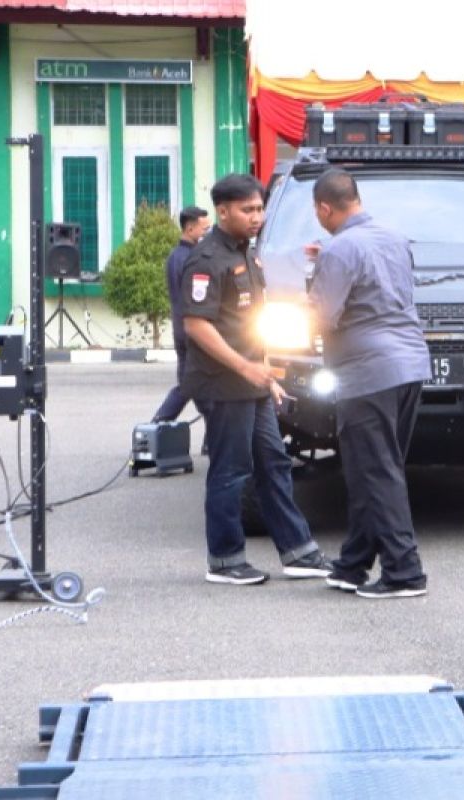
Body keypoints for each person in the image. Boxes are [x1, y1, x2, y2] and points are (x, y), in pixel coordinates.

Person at [181, 173, 333, 585]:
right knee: (231, 470)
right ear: (223, 211)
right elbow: (197, 325)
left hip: (254, 381)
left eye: (260, 209)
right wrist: (246, 367)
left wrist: (267, 372)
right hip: (223, 382)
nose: (257, 217)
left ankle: (298, 552)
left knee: (274, 463)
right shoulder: (206, 260)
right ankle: (226, 560)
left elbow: (252, 322)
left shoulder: (247, 254)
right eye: (248, 210)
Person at [307, 168, 431, 598]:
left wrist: (314, 283)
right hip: (410, 365)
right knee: (375, 469)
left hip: (367, 372)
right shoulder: (394, 238)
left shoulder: (338, 250)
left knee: (375, 472)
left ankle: (405, 572)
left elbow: (323, 316)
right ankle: (353, 565)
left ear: (325, 208)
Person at [153, 206, 210, 424]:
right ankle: (154, 429)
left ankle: (212, 438)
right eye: (204, 229)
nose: (207, 233)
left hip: (185, 329)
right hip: (191, 332)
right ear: (190, 228)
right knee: (190, 387)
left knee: (200, 388)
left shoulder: (181, 256)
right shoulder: (187, 259)